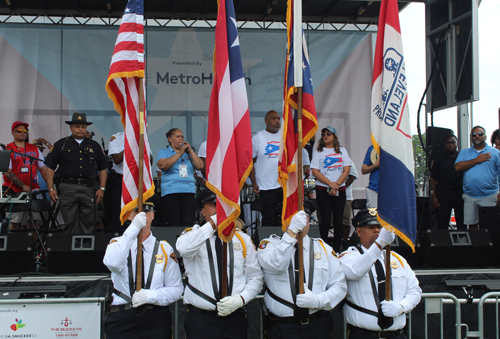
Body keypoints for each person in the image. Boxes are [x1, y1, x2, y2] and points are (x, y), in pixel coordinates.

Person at [176, 189, 264, 339]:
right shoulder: (192, 235)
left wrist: (241, 299)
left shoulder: (242, 239)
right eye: (213, 205)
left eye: (223, 205)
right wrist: (212, 224)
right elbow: (184, 249)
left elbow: (255, 277)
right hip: (201, 320)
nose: (219, 209)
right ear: (203, 211)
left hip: (234, 318)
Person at [257, 209, 347, 339]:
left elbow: (339, 285)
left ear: (309, 220)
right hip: (282, 327)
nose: (298, 222)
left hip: (317, 324)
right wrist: (291, 234)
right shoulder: (269, 246)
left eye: (302, 218)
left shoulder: (324, 249)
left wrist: (318, 301)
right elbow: (277, 264)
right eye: (292, 218)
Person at [103, 201, 183, 339]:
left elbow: (176, 289)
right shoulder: (117, 243)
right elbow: (113, 264)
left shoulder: (164, 248)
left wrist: (151, 296)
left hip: (155, 318)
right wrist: (133, 229)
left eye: (146, 212)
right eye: (136, 212)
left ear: (152, 215)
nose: (142, 216)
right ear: (129, 216)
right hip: (122, 318)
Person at [340, 209, 422, 339]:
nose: (377, 231)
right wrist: (380, 244)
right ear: (359, 231)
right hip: (365, 334)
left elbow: (415, 291)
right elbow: (355, 272)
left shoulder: (397, 259)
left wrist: (401, 307)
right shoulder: (349, 257)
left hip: (397, 335)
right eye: (370, 227)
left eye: (380, 227)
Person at [44, 112, 108, 233]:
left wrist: (102, 188)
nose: (80, 129)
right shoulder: (61, 144)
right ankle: (71, 251)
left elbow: (103, 168)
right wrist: (50, 188)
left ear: (86, 128)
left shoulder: (94, 146)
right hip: (67, 188)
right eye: (77, 126)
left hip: (88, 188)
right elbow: (50, 168)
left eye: (83, 127)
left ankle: (86, 251)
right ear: (71, 128)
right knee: (69, 223)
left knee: (88, 223)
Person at [310, 126, 352, 252]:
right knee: (325, 220)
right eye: (323, 134)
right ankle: (324, 248)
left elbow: (347, 170)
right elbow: (315, 171)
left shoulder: (342, 151)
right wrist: (331, 184)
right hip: (323, 189)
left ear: (334, 136)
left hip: (340, 189)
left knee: (339, 220)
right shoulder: (318, 152)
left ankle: (337, 249)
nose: (325, 135)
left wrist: (337, 185)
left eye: (329, 133)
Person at [2, 121, 47, 230]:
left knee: (33, 221)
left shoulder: (34, 148)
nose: (23, 132)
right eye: (19, 130)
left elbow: (43, 169)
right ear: (12, 133)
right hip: (14, 190)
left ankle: (32, 246)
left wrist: (51, 186)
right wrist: (23, 186)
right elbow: (7, 171)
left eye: (25, 131)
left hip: (33, 189)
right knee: (14, 220)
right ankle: (15, 246)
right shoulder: (7, 149)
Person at [455, 126, 500, 228]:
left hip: (489, 195)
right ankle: (476, 245)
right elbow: (457, 167)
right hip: (470, 196)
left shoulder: (495, 152)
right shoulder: (464, 152)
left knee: (490, 226)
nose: (477, 136)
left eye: (480, 134)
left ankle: (489, 244)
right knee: (472, 226)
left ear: (485, 136)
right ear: (471, 137)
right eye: (474, 135)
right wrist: (476, 160)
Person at [157, 128, 203, 226]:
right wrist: (179, 153)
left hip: (188, 191)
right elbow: (162, 165)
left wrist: (190, 151)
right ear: (170, 139)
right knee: (174, 222)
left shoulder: (188, 153)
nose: (181, 138)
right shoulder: (164, 152)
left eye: (182, 136)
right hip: (171, 192)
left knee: (188, 222)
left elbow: (200, 166)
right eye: (178, 136)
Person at [249, 110, 282, 226]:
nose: (277, 121)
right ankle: (268, 243)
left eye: (278, 118)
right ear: (266, 121)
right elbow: (250, 162)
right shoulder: (258, 138)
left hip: (283, 184)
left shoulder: (284, 136)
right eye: (274, 119)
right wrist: (253, 182)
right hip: (266, 186)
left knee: (284, 218)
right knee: (268, 219)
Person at [430, 135, 464, 229]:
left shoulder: (462, 157)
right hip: (443, 195)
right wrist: (434, 197)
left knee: (462, 223)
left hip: (459, 194)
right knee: (442, 223)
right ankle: (442, 243)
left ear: (457, 143)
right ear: (445, 145)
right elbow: (433, 178)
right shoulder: (439, 159)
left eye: (453, 142)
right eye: (448, 143)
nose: (451, 145)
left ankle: (463, 243)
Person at [108, 131, 125, 233]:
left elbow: (150, 160)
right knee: (118, 213)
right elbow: (117, 159)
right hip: (120, 179)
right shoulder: (116, 137)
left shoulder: (141, 136)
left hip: (137, 180)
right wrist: (130, 145)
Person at [343, 163, 358, 241]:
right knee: (329, 222)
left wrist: (341, 187)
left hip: (346, 196)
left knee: (345, 222)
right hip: (327, 196)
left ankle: (344, 242)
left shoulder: (347, 159)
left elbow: (353, 175)